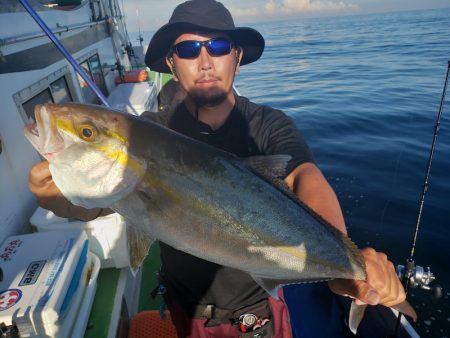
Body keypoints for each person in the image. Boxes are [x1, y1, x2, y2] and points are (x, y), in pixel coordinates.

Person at [29, 1, 406, 337]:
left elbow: (305, 176)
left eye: (219, 46)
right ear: (173, 66)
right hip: (185, 308)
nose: (206, 61)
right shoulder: (152, 129)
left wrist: (347, 262)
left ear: (237, 57)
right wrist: (58, 197)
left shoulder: (267, 125)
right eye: (190, 49)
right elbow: (95, 200)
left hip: (258, 315)